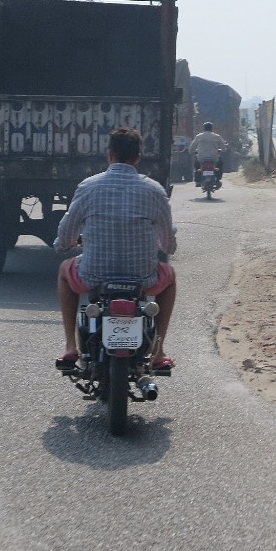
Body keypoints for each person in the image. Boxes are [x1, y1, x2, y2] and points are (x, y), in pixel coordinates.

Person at [53, 127, 177, 371]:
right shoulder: (154, 190)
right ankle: (159, 351)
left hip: (93, 277)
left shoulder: (88, 187)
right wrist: (166, 246)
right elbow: (168, 240)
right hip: (142, 278)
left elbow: (67, 230)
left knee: (63, 272)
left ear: (109, 154)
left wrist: (64, 245)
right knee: (170, 278)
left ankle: (70, 347)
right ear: (138, 158)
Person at [188, 121, 227, 186]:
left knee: (197, 165)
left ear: (204, 128)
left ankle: (197, 180)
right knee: (220, 165)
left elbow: (192, 146)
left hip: (201, 157)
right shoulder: (216, 136)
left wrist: (191, 151)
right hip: (214, 157)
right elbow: (224, 147)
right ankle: (218, 179)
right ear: (211, 128)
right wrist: (222, 150)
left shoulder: (199, 136)